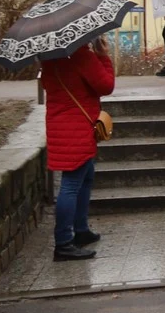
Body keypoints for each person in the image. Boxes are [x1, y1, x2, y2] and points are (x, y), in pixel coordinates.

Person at [41, 36, 115, 261]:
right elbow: (106, 85)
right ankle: (63, 242)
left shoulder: (49, 58)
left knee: (86, 176)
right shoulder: (81, 55)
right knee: (71, 184)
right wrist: (102, 56)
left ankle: (80, 229)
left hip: (59, 125)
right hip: (77, 127)